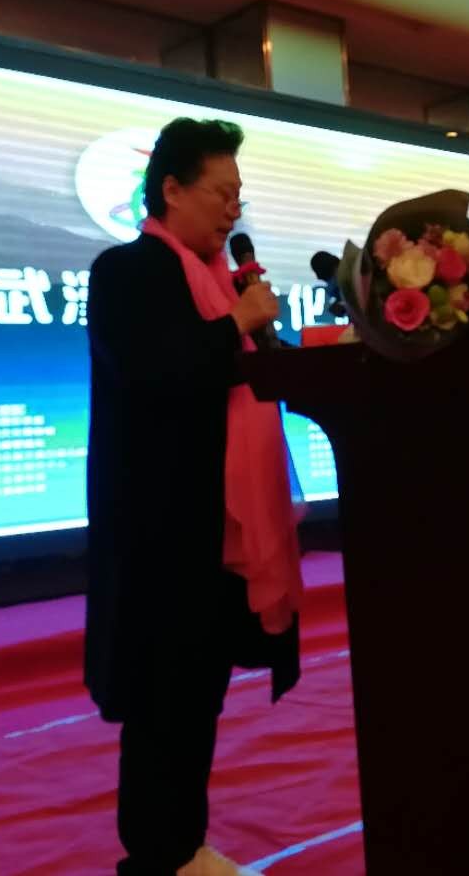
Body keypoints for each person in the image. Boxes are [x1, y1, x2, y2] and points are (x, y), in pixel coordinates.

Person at [85, 117, 303, 876]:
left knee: (198, 697)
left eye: (240, 195)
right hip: (160, 531)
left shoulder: (221, 280)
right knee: (161, 700)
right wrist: (236, 324)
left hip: (217, 531)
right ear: (172, 189)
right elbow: (153, 375)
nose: (233, 209)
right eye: (222, 192)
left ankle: (186, 846)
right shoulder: (126, 270)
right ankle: (153, 857)